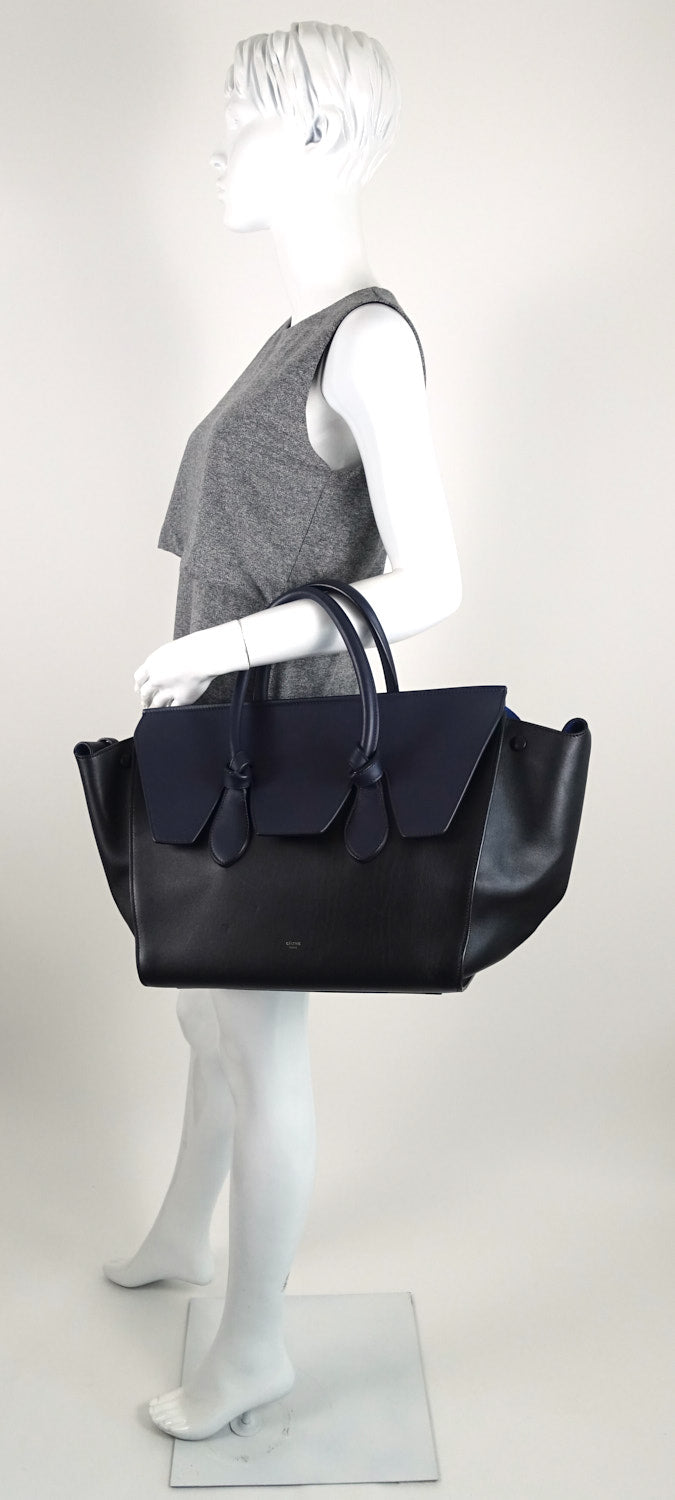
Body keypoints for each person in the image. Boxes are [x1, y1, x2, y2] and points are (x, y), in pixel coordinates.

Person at [106, 20, 462, 1441]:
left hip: (284, 752)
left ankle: (252, 1349)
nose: (216, 145)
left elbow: (431, 580)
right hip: (216, 740)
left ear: (316, 138)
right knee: (203, 1007)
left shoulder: (367, 344)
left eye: (244, 116)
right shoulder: (289, 339)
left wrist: (222, 647)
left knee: (260, 1045)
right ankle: (183, 1233)